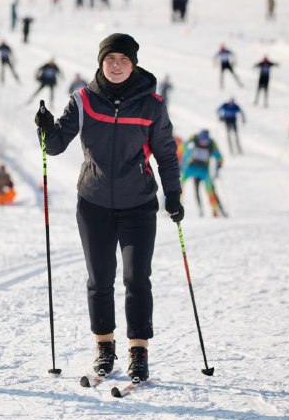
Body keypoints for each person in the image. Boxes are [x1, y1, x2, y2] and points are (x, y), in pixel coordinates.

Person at [34, 33, 182, 383]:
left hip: (139, 205)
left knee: (136, 278)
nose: (116, 66)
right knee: (100, 280)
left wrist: (172, 194)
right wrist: (45, 128)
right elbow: (54, 147)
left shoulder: (152, 105)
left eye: (123, 60)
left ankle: (138, 352)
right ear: (101, 63)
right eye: (110, 59)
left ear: (133, 64)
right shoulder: (84, 101)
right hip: (93, 203)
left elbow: (165, 153)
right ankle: (104, 348)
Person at [180, 130, 227, 217]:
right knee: (180, 183)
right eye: (202, 141)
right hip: (191, 167)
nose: (203, 143)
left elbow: (218, 155)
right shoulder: (193, 141)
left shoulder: (211, 145)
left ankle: (214, 210)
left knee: (209, 190)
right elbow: (182, 149)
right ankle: (176, 204)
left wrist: (219, 163)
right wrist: (180, 163)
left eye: (205, 141)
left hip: (203, 170)